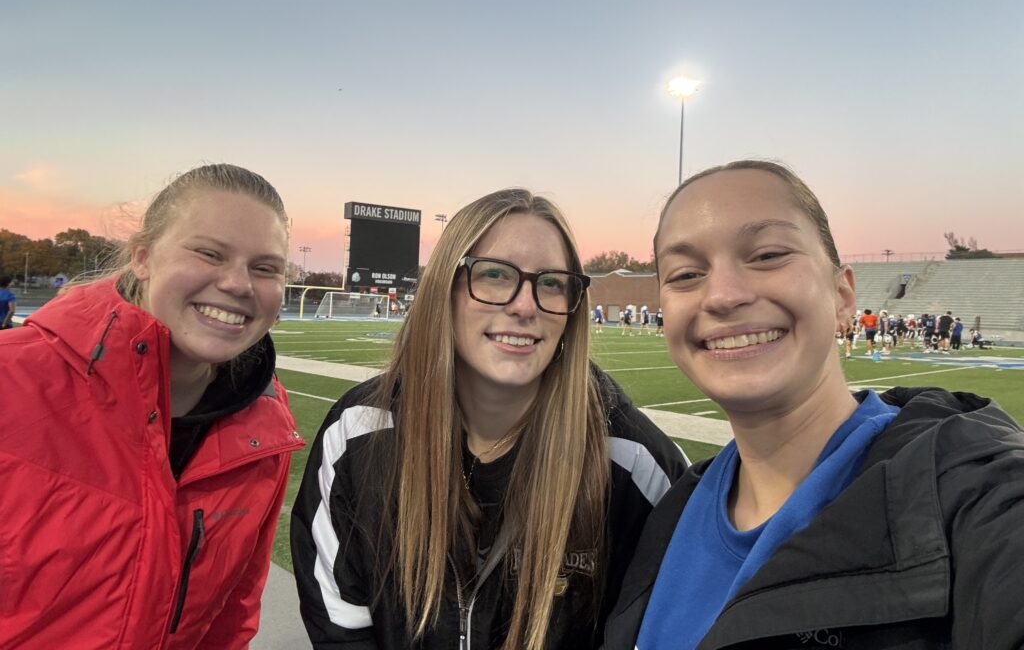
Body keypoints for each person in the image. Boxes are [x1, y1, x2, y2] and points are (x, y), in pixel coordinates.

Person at [603, 159, 1024, 649]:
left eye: (767, 255)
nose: (721, 295)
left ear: (843, 295)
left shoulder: (972, 493)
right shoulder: (670, 512)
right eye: (686, 273)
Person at [292, 188, 686, 650]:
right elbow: (340, 627)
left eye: (552, 283)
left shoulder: (633, 460)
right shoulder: (360, 434)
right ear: (446, 287)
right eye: (496, 275)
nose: (525, 305)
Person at [0, 164, 304, 649]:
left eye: (265, 268)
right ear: (142, 257)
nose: (238, 284)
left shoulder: (268, 419)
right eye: (209, 253)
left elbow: (232, 616)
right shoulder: (12, 380)